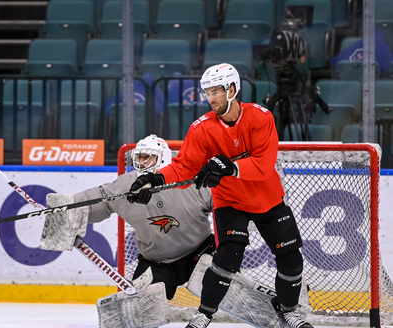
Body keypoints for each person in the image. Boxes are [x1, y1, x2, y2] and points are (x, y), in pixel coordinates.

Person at [128, 63, 312, 328]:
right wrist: (156, 179)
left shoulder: (261, 118)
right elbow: (184, 166)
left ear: (232, 89)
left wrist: (230, 166)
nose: (210, 98)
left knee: (292, 258)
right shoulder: (201, 128)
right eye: (207, 92)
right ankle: (203, 315)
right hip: (230, 201)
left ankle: (289, 311)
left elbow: (263, 165)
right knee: (226, 258)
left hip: (268, 199)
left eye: (215, 91)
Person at [43, 134, 216, 302]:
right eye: (139, 157)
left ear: (163, 158)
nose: (141, 162)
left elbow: (226, 204)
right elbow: (100, 198)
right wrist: (70, 206)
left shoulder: (192, 179)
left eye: (148, 157)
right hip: (157, 262)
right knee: (140, 310)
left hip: (201, 253)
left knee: (226, 291)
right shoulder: (127, 185)